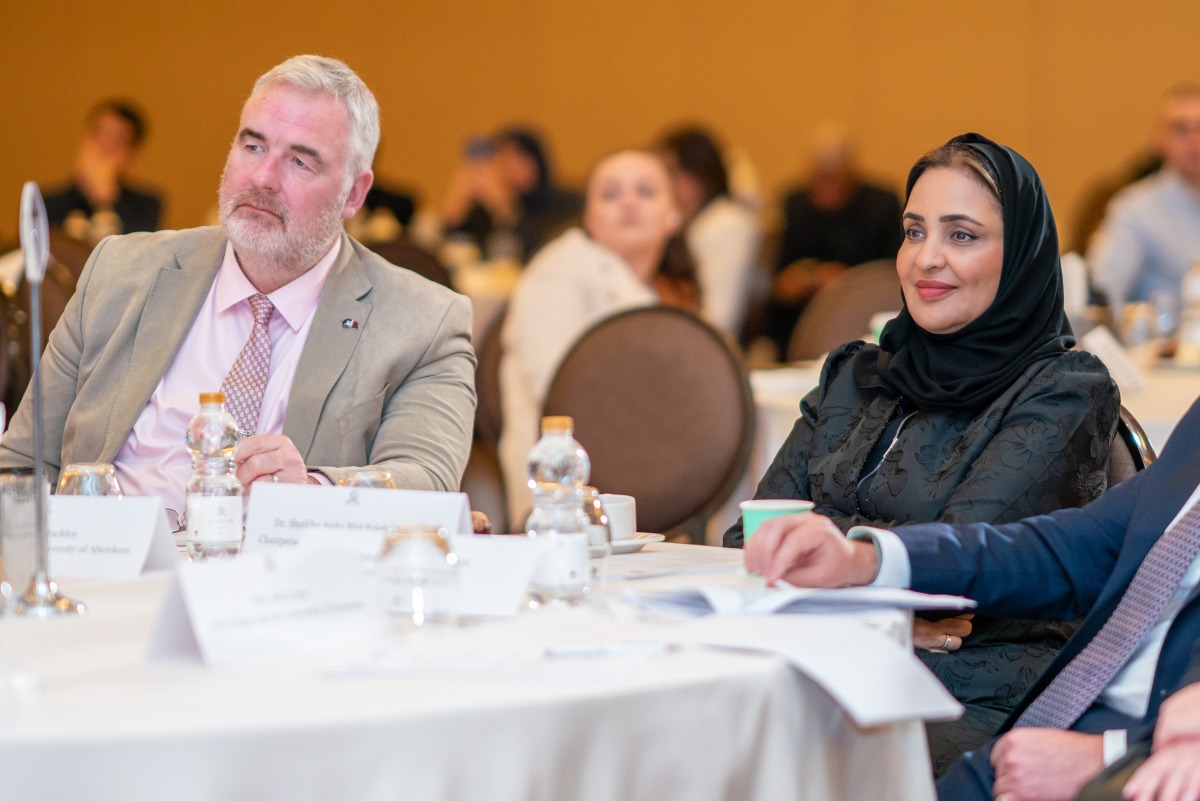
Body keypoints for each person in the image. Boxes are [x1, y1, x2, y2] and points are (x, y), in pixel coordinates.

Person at [725, 133, 1120, 775]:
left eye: (961, 235)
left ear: (1018, 254)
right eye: (914, 232)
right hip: (815, 665)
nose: (925, 259)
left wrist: (836, 563)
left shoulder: (1062, 391)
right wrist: (875, 613)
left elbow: (961, 560)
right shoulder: (855, 374)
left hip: (966, 693)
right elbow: (750, 536)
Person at [0, 55, 475, 523]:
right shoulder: (120, 273)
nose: (263, 178)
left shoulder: (425, 321)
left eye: (300, 162)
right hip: (106, 571)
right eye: (252, 147)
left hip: (281, 586)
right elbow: (21, 463)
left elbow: (426, 480)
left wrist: (313, 491)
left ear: (354, 193)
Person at [744, 384, 1200, 801]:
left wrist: (1108, 757)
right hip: (1036, 738)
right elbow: (1071, 551)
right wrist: (866, 559)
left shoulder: (1057, 390)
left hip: (1133, 770)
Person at [498, 149, 700, 522]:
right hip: (563, 492)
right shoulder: (557, 270)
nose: (627, 201)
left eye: (645, 191)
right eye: (610, 194)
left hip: (640, 466)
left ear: (674, 214)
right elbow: (559, 390)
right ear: (589, 217)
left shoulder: (657, 291)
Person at [767, 127, 902, 358]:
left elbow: (892, 276)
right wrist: (799, 280)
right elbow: (780, 282)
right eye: (818, 177)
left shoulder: (881, 206)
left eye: (832, 177)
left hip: (864, 317)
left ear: (850, 174)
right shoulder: (796, 205)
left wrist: (846, 280)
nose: (825, 186)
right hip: (802, 321)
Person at [1090, 84, 1200, 331]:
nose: (1193, 140)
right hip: (1164, 358)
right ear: (1159, 139)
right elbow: (1103, 298)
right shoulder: (1133, 210)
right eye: (1181, 129)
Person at [658, 126, 761, 339]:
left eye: (670, 172)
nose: (663, 184)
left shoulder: (726, 223)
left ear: (698, 176)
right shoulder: (689, 225)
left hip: (707, 355)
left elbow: (719, 320)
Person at [441, 126, 583, 262]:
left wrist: (504, 208)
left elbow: (540, 249)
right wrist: (459, 199)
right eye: (501, 158)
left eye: (519, 156)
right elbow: (453, 246)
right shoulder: (484, 208)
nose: (509, 167)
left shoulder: (566, 203)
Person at [43, 99, 163, 243]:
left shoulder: (144, 206)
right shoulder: (47, 203)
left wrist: (104, 202)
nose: (103, 146)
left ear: (131, 155)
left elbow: (134, 256)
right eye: (98, 134)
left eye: (116, 140)